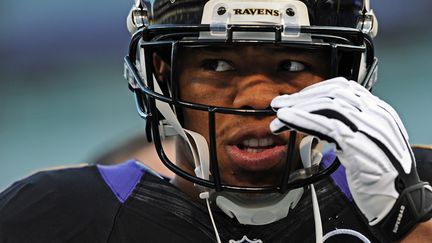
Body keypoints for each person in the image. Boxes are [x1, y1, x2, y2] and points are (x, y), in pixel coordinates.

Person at [1, 0, 432, 242]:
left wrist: (410, 223)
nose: (257, 97)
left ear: (344, 75)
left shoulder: (421, 193)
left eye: (292, 63)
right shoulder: (58, 215)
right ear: (163, 77)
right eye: (218, 64)